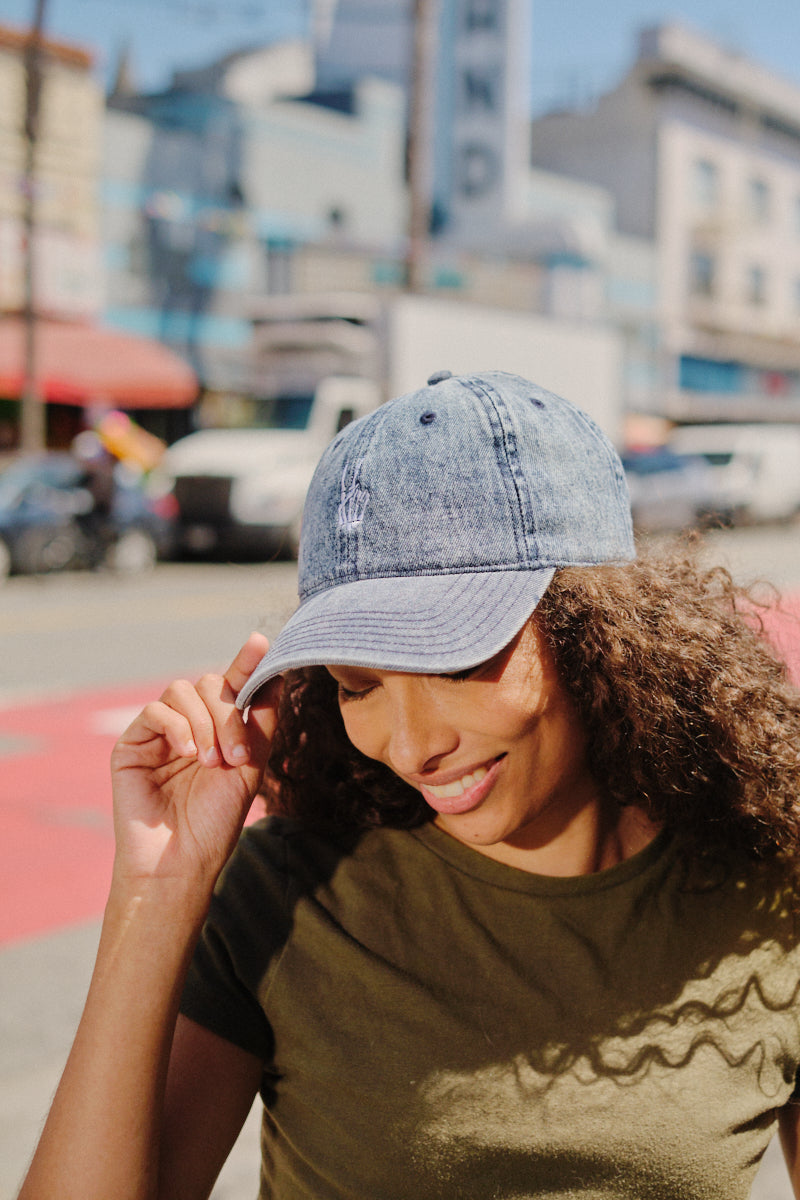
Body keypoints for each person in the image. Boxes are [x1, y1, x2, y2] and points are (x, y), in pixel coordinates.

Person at [18, 370, 800, 1200]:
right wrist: (158, 892)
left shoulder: (771, 897)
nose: (414, 745)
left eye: (460, 662)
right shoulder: (290, 896)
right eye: (359, 686)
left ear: (603, 634)